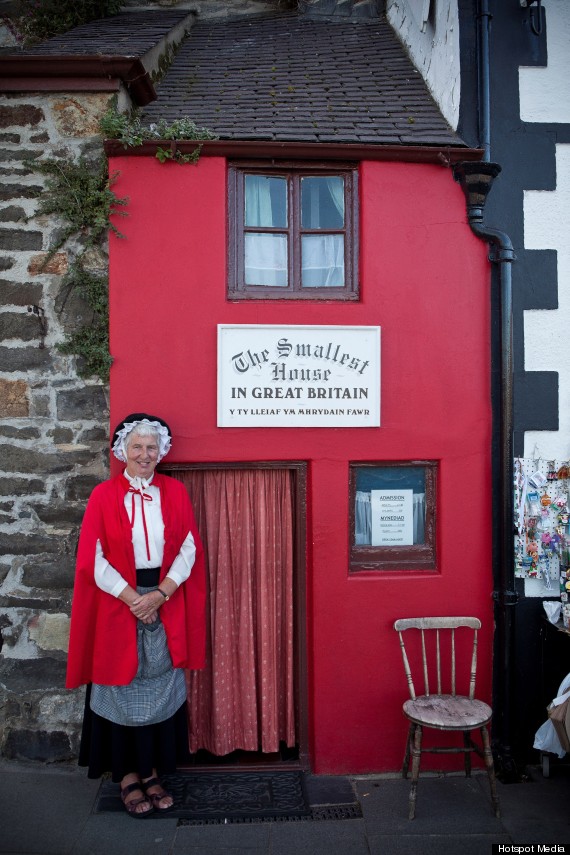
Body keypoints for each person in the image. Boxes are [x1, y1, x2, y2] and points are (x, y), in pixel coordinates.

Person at [66, 413, 206, 818]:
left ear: (160, 451)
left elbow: (189, 549)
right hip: (118, 600)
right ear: (122, 451)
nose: (145, 454)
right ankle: (127, 776)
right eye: (137, 447)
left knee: (159, 680)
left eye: (151, 447)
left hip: (165, 595)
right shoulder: (103, 496)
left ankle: (152, 771)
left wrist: (161, 595)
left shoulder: (175, 492)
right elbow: (92, 558)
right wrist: (134, 599)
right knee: (119, 682)